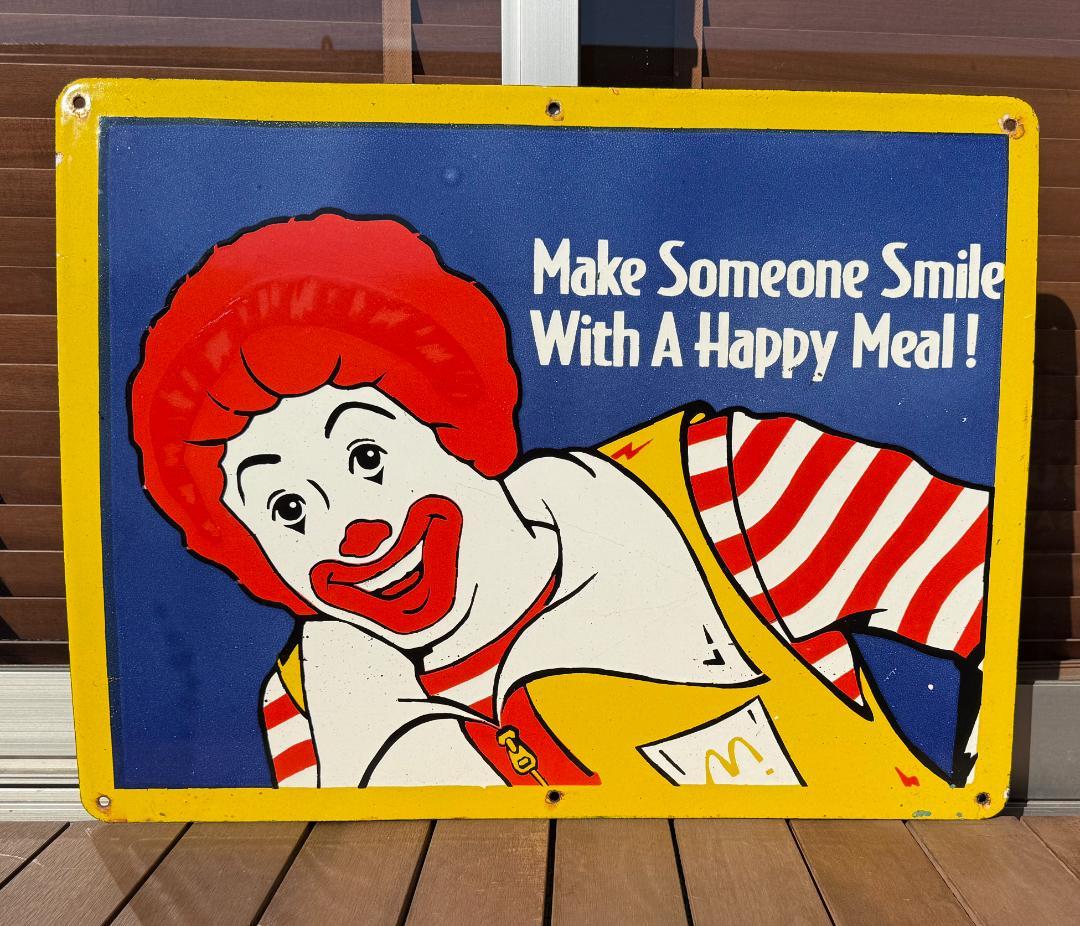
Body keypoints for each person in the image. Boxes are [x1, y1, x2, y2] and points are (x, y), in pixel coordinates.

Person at [130, 212, 988, 792]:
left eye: (367, 456)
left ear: (454, 423)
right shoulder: (309, 704)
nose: (354, 530)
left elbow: (991, 587)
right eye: (287, 511)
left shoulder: (730, 489)